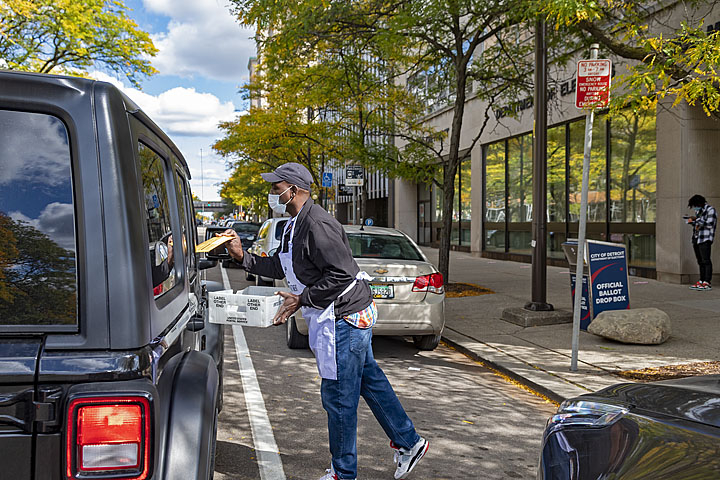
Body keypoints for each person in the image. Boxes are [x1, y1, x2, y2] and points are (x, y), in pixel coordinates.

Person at [221, 162, 428, 480]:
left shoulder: (318, 224)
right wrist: (242, 256)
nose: (272, 192)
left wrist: (301, 300)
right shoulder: (293, 224)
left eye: (276, 187)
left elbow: (341, 274)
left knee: (338, 396)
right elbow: (282, 265)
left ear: (293, 188)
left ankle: (343, 473)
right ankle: (409, 443)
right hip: (337, 316)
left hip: (344, 319)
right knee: (368, 383)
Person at [687, 194, 717, 291]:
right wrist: (692, 222)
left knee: (706, 260)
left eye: (695, 205)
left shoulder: (710, 210)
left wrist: (697, 220)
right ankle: (701, 280)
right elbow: (698, 224)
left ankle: (707, 282)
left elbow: (710, 224)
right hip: (697, 237)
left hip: (705, 238)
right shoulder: (698, 211)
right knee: (700, 261)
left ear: (700, 203)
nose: (695, 208)